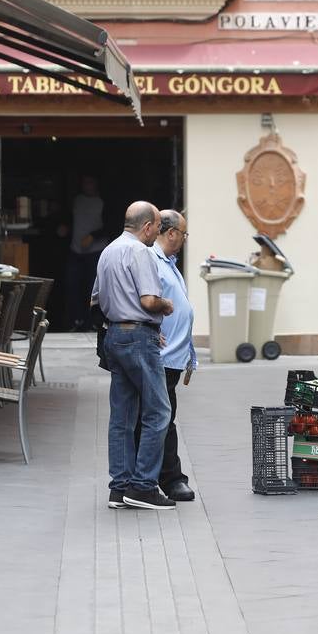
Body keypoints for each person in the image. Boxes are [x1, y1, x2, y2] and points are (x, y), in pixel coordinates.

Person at [93, 201, 176, 510]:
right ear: (146, 227)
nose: (158, 233)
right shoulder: (140, 251)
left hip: (115, 334)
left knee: (122, 416)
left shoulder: (108, 251)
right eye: (156, 227)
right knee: (158, 412)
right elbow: (149, 300)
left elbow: (97, 299)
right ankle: (143, 486)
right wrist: (165, 306)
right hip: (138, 338)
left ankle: (120, 487)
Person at [134, 209, 197, 503]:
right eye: (183, 234)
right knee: (161, 418)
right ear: (171, 233)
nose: (184, 240)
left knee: (162, 416)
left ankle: (158, 479)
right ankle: (168, 480)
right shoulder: (152, 261)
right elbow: (141, 299)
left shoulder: (168, 263)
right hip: (161, 355)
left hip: (173, 356)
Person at [64, 175, 111, 331]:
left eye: (90, 182)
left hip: (96, 251)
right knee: (73, 286)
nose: (87, 185)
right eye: (84, 182)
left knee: (93, 288)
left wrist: (93, 236)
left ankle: (93, 322)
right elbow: (71, 220)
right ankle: (76, 320)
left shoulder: (103, 201)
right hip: (76, 250)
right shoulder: (77, 200)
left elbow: (110, 226)